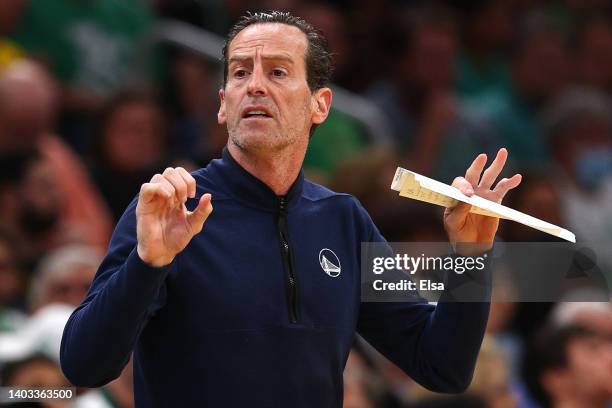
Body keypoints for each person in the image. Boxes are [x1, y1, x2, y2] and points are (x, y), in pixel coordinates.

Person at [60, 11, 521, 407]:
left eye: (278, 72)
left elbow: (442, 367)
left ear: (320, 105)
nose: (254, 85)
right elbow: (84, 365)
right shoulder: (172, 210)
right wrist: (148, 263)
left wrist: (469, 258)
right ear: (222, 105)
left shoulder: (344, 220)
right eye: (240, 73)